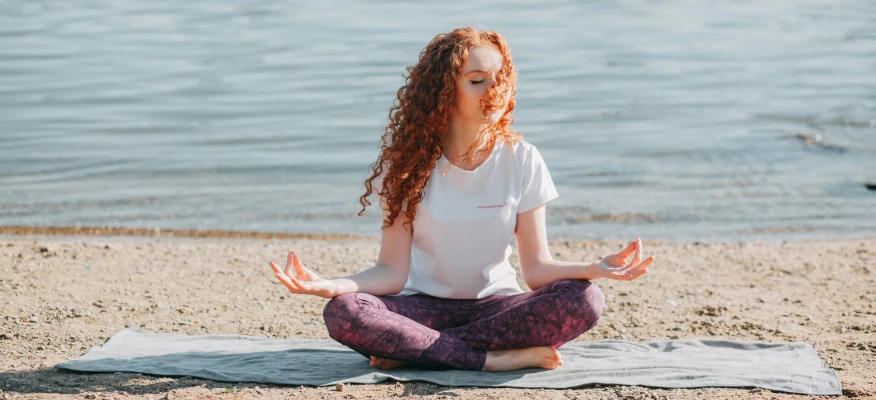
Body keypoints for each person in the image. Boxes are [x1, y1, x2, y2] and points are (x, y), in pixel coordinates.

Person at [268, 27, 655, 372]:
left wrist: (595, 267)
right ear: (443, 92)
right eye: (477, 80)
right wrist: (332, 284)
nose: (495, 89)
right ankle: (489, 359)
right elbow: (390, 272)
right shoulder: (406, 164)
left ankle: (416, 351)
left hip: (496, 309)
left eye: (500, 78)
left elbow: (536, 270)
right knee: (345, 312)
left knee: (585, 298)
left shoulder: (522, 158)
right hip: (422, 307)